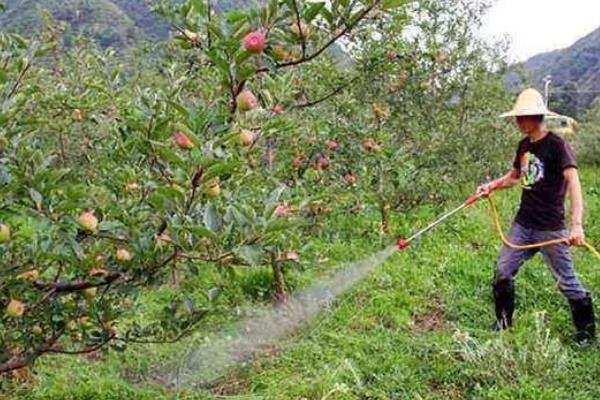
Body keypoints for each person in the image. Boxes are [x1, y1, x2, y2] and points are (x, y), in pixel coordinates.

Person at [477, 88, 595, 342]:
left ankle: (586, 335)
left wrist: (576, 225)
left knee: (567, 281)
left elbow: (574, 183)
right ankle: (504, 323)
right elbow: (513, 178)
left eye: (523, 116)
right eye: (517, 117)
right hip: (523, 224)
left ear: (537, 116)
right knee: (503, 271)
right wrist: (491, 186)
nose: (518, 121)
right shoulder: (523, 145)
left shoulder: (557, 145)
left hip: (550, 227)